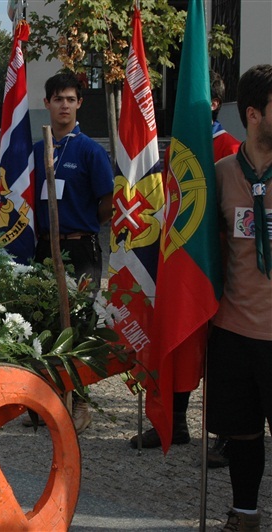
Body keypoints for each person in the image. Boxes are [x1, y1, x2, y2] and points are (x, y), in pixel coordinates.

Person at [130, 71, 242, 466]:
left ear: (213, 104)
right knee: (180, 335)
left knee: (223, 353)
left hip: (221, 263)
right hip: (181, 258)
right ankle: (175, 421)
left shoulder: (230, 147)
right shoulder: (176, 150)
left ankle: (229, 435)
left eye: (195, 102)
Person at [207, 64, 272, 532]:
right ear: (253, 114)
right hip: (233, 332)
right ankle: (245, 511)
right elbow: (204, 251)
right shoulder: (222, 175)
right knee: (243, 433)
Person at [31, 71, 114, 433]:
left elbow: (107, 202)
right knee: (42, 321)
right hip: (45, 248)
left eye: (70, 99)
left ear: (79, 104)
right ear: (47, 103)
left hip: (80, 249)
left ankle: (80, 401)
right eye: (57, 98)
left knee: (79, 324)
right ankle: (46, 397)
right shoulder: (36, 151)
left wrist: (80, 224)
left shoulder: (91, 151)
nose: (64, 105)